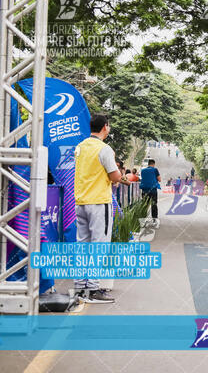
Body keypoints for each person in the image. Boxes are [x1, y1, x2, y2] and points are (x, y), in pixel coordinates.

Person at [74, 114, 121, 303]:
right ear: (105, 127)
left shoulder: (80, 147)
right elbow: (115, 176)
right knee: (99, 246)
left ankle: (79, 288)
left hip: (81, 201)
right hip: (99, 203)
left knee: (82, 246)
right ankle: (93, 290)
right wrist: (119, 174)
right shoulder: (105, 149)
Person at [140, 159, 161, 227]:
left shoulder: (143, 170)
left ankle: (142, 221)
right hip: (153, 190)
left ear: (148, 164)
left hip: (144, 190)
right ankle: (154, 220)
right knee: (154, 205)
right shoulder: (155, 170)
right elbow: (159, 179)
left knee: (145, 205)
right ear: (153, 164)